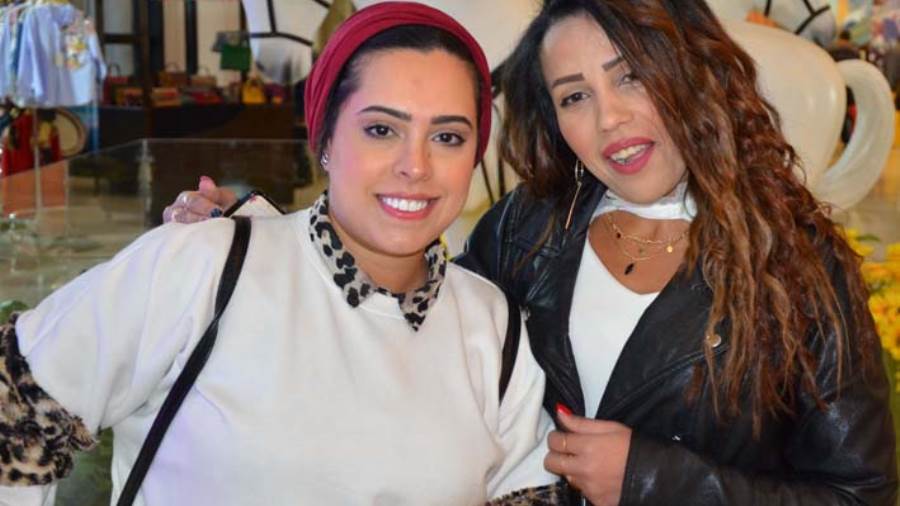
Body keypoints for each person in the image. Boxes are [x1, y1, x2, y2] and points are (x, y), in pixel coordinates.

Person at [165, 0, 898, 505]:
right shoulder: (532, 227)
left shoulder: (798, 265)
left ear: (692, 72)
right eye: (575, 96)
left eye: (631, 76)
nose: (609, 118)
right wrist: (264, 236)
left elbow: (861, 493)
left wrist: (652, 481)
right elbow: (405, 315)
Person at [0, 3, 564, 505]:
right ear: (325, 139)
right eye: (380, 130)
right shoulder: (205, 265)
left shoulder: (491, 324)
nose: (415, 166)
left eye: (447, 137)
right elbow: (14, 405)